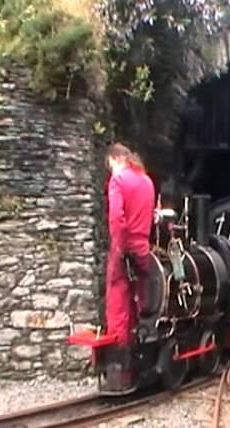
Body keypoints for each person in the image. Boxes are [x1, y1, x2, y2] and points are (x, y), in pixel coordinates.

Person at [105, 142, 156, 392]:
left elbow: (116, 218)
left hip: (124, 246)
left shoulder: (118, 181)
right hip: (144, 248)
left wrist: (119, 247)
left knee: (118, 303)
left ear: (115, 159)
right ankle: (143, 354)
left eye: (110, 165)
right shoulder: (147, 181)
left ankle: (120, 368)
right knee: (143, 303)